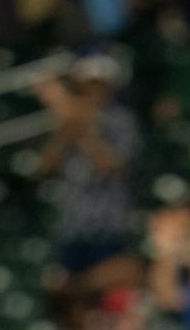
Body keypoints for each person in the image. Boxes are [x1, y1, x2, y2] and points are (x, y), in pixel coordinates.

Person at [35, 55, 141, 281]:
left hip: (108, 227)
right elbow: (46, 166)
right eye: (87, 84)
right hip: (72, 224)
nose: (93, 91)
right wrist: (67, 125)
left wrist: (80, 128)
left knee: (108, 294)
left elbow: (111, 166)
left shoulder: (121, 120)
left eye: (98, 84)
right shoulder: (66, 119)